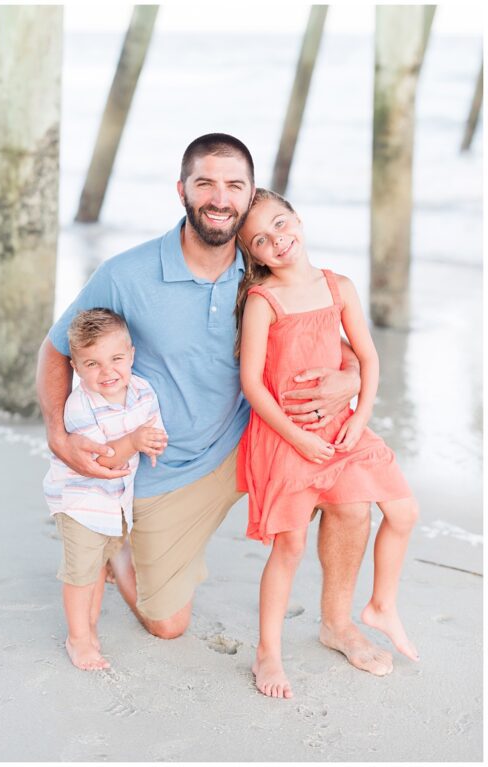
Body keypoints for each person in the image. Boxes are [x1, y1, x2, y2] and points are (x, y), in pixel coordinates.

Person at [37, 133, 397, 678]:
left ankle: (338, 623)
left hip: (254, 438)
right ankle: (119, 550)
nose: (219, 197)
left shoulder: (261, 271)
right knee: (167, 624)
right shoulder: (126, 274)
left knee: (349, 499)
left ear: (249, 197)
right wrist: (59, 436)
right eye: (205, 182)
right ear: (181, 189)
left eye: (234, 186)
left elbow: (323, 330)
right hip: (167, 465)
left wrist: (349, 376)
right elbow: (56, 349)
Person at [235, 188, 419, 699]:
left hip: (342, 428)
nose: (278, 240)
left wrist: (361, 416)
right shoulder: (263, 300)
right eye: (261, 240)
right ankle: (267, 651)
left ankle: (367, 610)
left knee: (397, 511)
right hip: (285, 436)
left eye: (281, 223)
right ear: (253, 254)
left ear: (298, 217)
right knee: (289, 545)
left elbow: (368, 357)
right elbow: (253, 383)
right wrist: (294, 434)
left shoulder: (338, 286)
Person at [43, 309, 166, 671]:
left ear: (131, 355)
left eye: (115, 359)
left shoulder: (142, 390)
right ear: (76, 367)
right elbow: (103, 460)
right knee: (80, 575)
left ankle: (90, 625)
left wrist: (153, 442)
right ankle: (77, 638)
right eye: (92, 364)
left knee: (96, 567)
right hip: (81, 502)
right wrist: (136, 440)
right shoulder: (79, 407)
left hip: (116, 505)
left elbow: (153, 427)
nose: (107, 372)